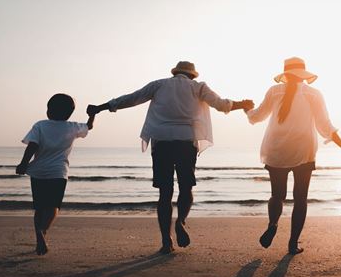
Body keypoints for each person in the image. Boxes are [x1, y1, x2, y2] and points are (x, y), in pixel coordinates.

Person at [87, 61, 253, 254]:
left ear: (175, 73)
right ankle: (181, 221)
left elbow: (131, 99)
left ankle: (166, 241)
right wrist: (243, 104)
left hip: (162, 142)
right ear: (193, 75)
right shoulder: (199, 87)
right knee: (186, 187)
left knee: (165, 193)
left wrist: (100, 107)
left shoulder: (159, 84)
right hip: (185, 142)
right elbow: (221, 104)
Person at [246, 57, 341, 255]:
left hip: (276, 149)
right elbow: (325, 126)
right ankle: (293, 243)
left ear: (285, 74)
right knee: (300, 198)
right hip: (303, 151)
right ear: (304, 73)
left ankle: (273, 224)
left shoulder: (274, 91)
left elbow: (257, 116)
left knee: (277, 195)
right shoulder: (313, 94)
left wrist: (247, 109)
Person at [16, 93, 95, 255]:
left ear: (49, 110)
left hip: (38, 172)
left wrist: (23, 163)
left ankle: (39, 232)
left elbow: (32, 146)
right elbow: (89, 127)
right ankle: (43, 231)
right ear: (69, 113)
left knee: (39, 207)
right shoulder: (72, 126)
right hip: (58, 173)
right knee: (53, 206)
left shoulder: (40, 125)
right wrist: (92, 115)